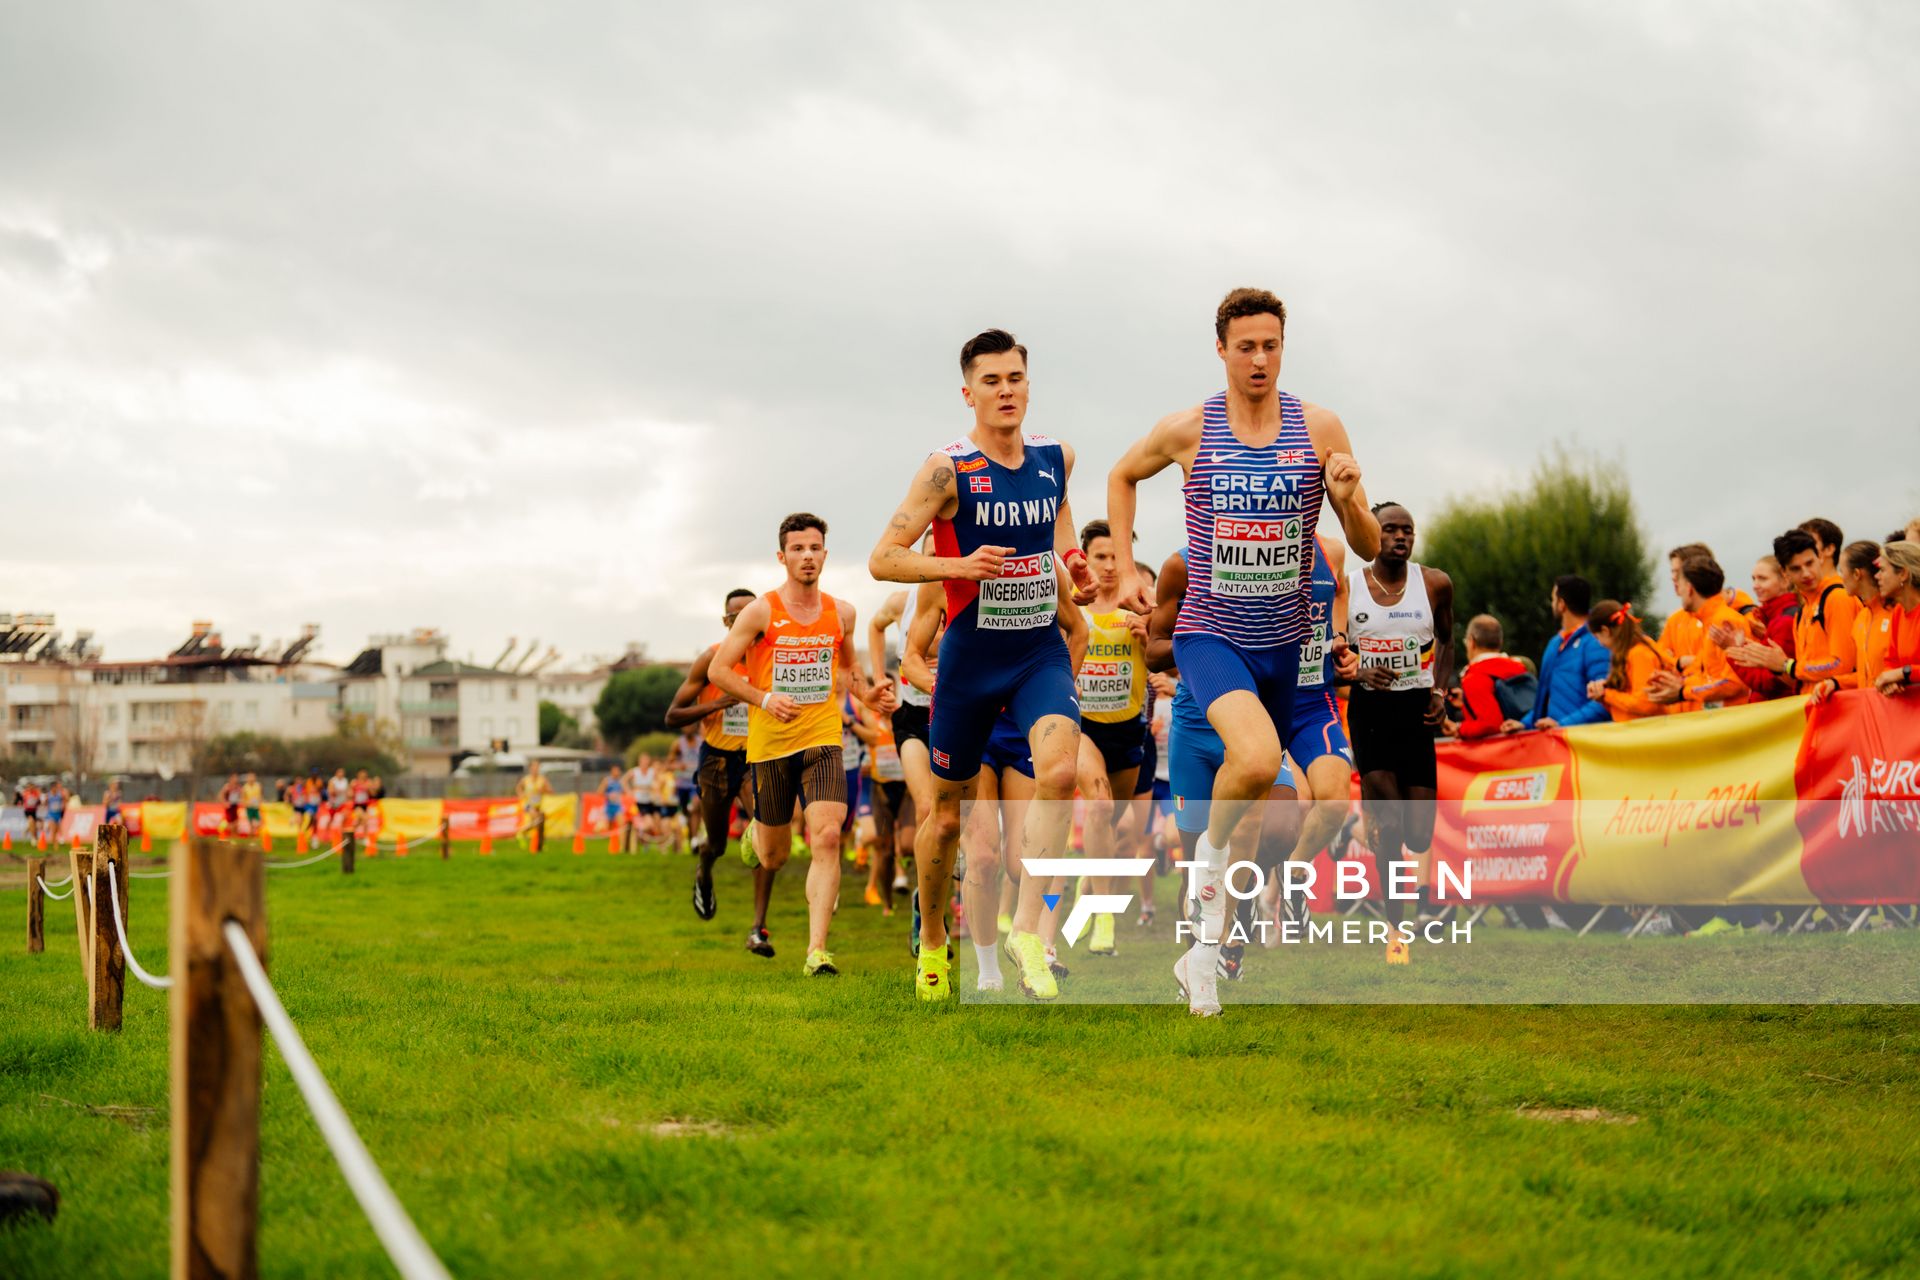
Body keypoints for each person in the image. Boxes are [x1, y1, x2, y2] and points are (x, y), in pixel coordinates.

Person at [1105, 288, 1379, 1014]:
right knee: (1256, 761)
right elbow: (1121, 475)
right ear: (1221, 349)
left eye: (1271, 345)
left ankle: (1201, 955)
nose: (1259, 358)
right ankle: (1209, 866)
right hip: (1210, 635)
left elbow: (1368, 547)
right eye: (1246, 346)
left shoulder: (1319, 427)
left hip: (1283, 645)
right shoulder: (1189, 428)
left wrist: (1350, 498)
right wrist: (1128, 572)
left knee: (1255, 799)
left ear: (1283, 348)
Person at [867, 328, 1095, 1003]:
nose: (1005, 391)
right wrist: (957, 565)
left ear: (1029, 385)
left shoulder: (1058, 456)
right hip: (969, 659)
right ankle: (934, 941)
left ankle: (1029, 930)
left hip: (1036, 653)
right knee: (943, 820)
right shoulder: (948, 470)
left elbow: (1057, 523)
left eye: (1015, 378)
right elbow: (885, 556)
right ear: (969, 393)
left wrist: (1073, 560)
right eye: (991, 381)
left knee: (1058, 771)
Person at [710, 512, 891, 977]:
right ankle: (757, 831)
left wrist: (867, 692)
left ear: (825, 554)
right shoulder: (761, 612)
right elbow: (720, 671)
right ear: (782, 556)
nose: (807, 557)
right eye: (797, 549)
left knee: (828, 836)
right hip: (770, 745)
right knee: (774, 856)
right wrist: (764, 698)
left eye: (814, 548)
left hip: (822, 738)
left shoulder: (842, 613)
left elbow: (848, 669)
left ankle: (817, 951)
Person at [1347, 502, 1453, 961]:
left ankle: (1355, 828)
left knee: (1419, 837)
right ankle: (1397, 930)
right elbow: (1334, 652)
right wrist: (1359, 674)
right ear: (1373, 533)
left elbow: (1447, 638)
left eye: (1407, 530)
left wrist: (1441, 690)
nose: (1400, 537)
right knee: (1390, 830)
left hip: (1416, 714)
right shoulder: (1347, 587)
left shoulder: (1435, 584)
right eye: (1390, 529)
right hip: (1370, 713)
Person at [1072, 519, 1154, 958]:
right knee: (1099, 806)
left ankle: (1085, 903)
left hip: (1128, 730)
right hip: (1082, 726)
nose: (1108, 566)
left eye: (1115, 557)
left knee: (1116, 829)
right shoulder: (1072, 607)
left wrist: (1149, 642)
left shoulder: (1141, 608)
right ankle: (1104, 916)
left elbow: (1169, 666)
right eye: (1100, 557)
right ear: (1084, 559)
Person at [666, 588, 761, 917]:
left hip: (756, 758)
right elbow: (673, 716)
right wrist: (717, 703)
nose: (745, 620)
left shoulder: (773, 656)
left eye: (752, 613)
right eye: (737, 616)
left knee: (763, 830)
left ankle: (758, 924)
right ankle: (703, 874)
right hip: (717, 759)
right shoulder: (712, 658)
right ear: (726, 621)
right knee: (717, 845)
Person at [1725, 529, 1860, 695]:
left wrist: (1787, 665)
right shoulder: (1803, 612)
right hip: (1815, 709)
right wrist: (1769, 662)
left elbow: (1842, 665)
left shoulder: (1837, 598)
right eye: (1796, 569)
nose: (1806, 573)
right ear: (1785, 573)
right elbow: (1801, 681)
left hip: (1841, 708)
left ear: (1820, 558)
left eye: (1809, 563)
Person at [1649, 554, 1750, 710]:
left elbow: (1733, 683)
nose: (1678, 591)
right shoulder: (1708, 621)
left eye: (1679, 584)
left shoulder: (1723, 622)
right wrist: (1681, 683)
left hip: (1733, 720)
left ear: (1689, 589)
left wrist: (1683, 692)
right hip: (1722, 719)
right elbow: (1710, 677)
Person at [1517, 575, 1609, 730]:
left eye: (1553, 599)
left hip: (1581, 744)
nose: (1551, 604)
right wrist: (1524, 723)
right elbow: (1544, 698)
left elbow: (1606, 699)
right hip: (1553, 742)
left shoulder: (1596, 642)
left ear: (1561, 604)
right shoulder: (1554, 643)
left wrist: (1563, 725)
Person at [1586, 601, 1676, 720]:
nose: (1600, 643)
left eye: (1597, 637)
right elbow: (1626, 706)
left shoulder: (1639, 654)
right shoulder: (1625, 653)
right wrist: (1604, 694)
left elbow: (1645, 704)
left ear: (1605, 631)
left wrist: (1607, 694)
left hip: (1649, 734)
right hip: (1635, 733)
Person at [1456, 615, 1532, 737]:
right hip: (1532, 744)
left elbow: (1490, 725)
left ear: (1471, 642)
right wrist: (1465, 701)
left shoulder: (1474, 677)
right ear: (1500, 641)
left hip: (1498, 753)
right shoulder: (1520, 667)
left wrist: (1459, 728)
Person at [1739, 556, 1800, 701]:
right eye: (1753, 579)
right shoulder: (1773, 618)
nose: (1755, 585)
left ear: (1785, 580)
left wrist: (1732, 651)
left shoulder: (1784, 621)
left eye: (1762, 579)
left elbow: (1770, 683)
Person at [1869, 541, 1920, 695]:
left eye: (1882, 570)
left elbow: (1902, 670)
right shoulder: (1898, 611)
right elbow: (1890, 661)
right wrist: (1891, 681)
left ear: (1903, 574)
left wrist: (1903, 673)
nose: (1877, 577)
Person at [515, 760, 551, 850]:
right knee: (538, 819)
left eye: (537, 767)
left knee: (538, 824)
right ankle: (521, 833)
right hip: (528, 804)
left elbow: (550, 791)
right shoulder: (526, 779)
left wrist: (543, 790)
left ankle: (539, 845)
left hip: (538, 805)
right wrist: (521, 794)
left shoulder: (542, 779)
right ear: (530, 768)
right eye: (534, 767)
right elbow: (518, 787)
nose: (536, 769)